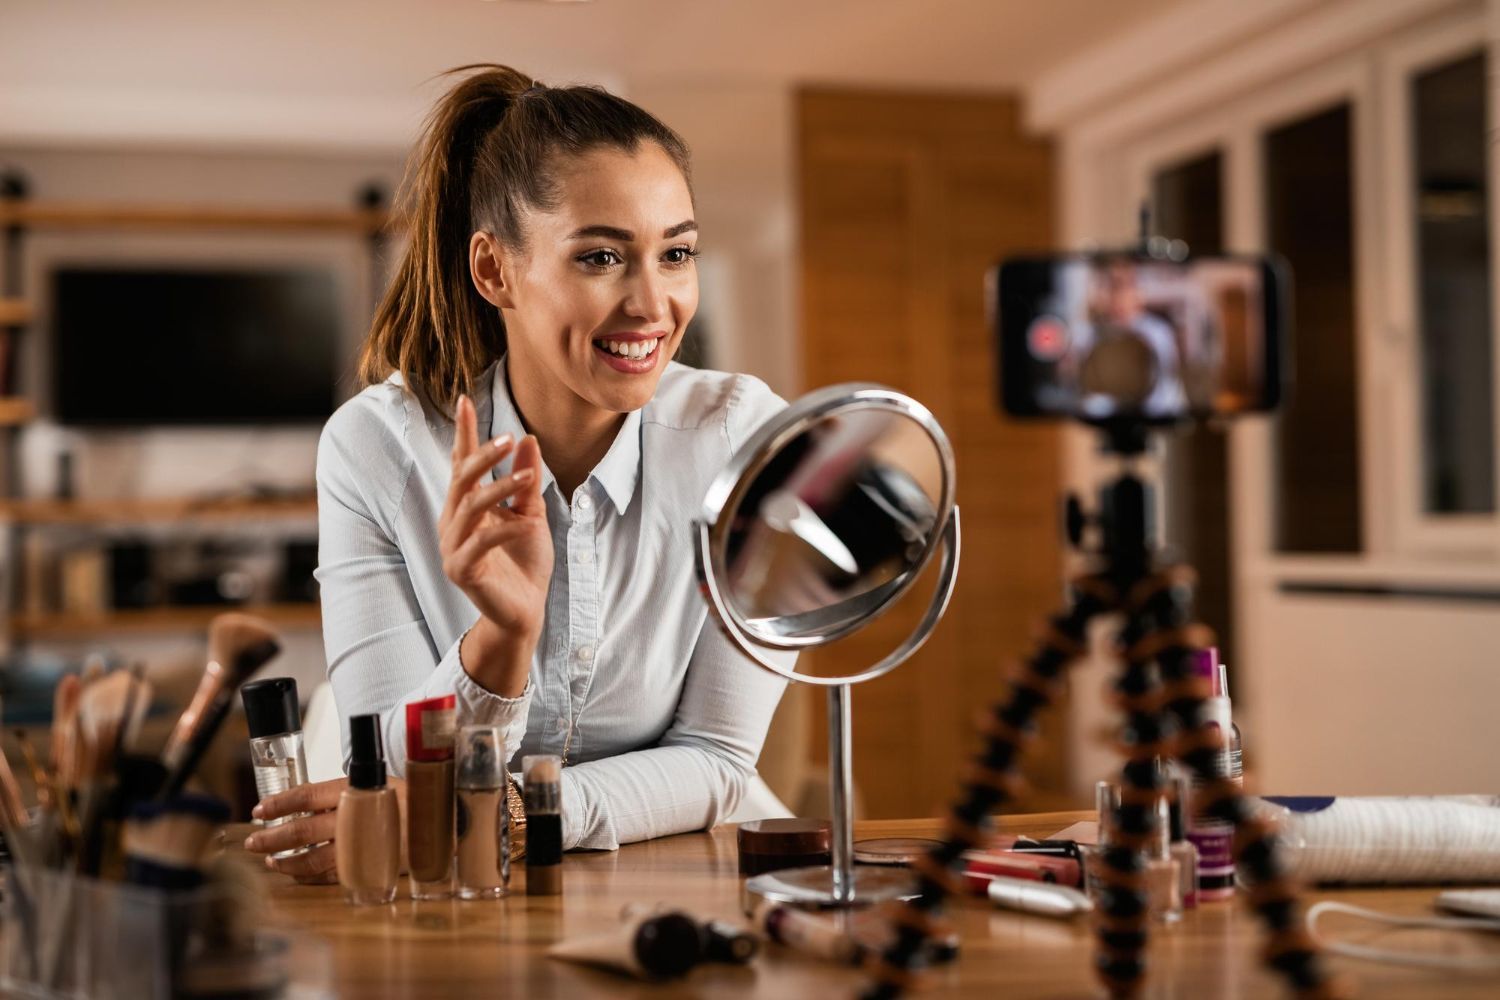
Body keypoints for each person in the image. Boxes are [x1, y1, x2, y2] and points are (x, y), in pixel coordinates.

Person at [243, 65, 789, 881]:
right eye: (603, 256)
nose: (652, 303)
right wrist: (499, 639)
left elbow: (718, 758)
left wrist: (512, 816)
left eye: (676, 253)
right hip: (435, 889)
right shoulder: (379, 448)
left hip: (671, 872)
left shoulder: (742, 438)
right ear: (495, 270)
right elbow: (385, 760)